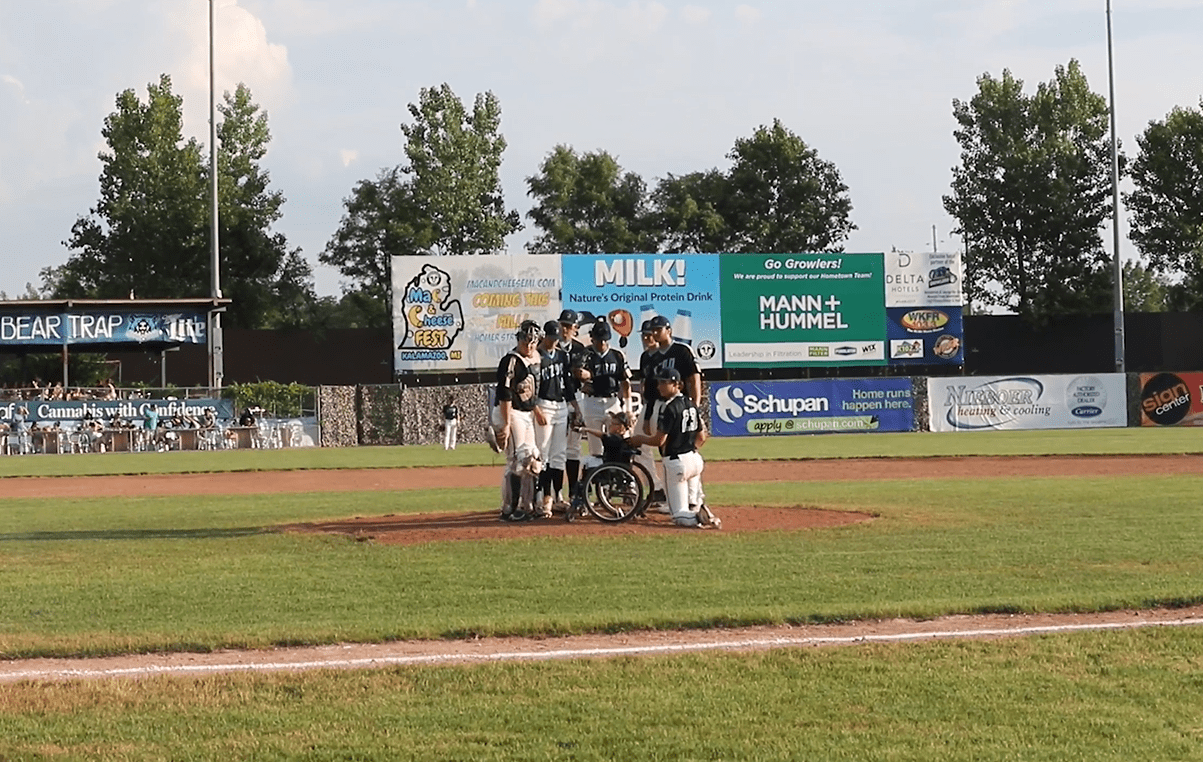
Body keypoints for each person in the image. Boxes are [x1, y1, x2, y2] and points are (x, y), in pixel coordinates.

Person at [630, 366, 720, 529]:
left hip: (676, 462)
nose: (659, 386)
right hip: (695, 460)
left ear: (677, 384)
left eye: (663, 383)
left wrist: (639, 439)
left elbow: (659, 440)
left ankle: (700, 517)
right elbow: (701, 436)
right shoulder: (691, 404)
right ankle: (701, 512)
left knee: (678, 515)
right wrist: (689, 449)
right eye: (659, 382)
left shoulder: (669, 407)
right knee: (690, 504)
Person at [639, 314, 702, 505]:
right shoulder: (653, 356)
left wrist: (695, 405)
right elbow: (649, 390)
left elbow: (694, 378)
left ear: (669, 330)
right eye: (653, 330)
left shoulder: (681, 350)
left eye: (659, 329)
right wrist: (647, 416)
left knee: (687, 448)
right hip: (659, 406)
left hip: (681, 404)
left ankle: (694, 498)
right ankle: (674, 497)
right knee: (666, 450)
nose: (655, 333)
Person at [491, 319, 544, 522]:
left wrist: (535, 410)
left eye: (533, 342)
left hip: (526, 413)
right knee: (517, 460)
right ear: (518, 339)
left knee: (533, 458)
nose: (528, 346)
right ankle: (509, 509)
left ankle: (527, 505)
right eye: (525, 341)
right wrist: (505, 424)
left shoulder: (536, 358)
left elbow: (530, 392)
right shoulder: (511, 360)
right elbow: (505, 394)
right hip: (510, 411)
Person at [534, 320, 583, 517]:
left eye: (556, 338)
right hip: (544, 405)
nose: (554, 341)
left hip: (561, 406)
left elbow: (568, 384)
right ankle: (542, 497)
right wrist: (536, 409)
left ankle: (557, 496)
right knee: (543, 453)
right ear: (544, 336)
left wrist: (575, 407)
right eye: (551, 338)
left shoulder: (562, 356)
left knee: (559, 455)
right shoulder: (536, 356)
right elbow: (531, 385)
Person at [575, 319, 632, 460]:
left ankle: (622, 470)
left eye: (605, 340)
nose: (602, 343)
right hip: (592, 402)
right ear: (592, 338)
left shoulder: (617, 355)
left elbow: (625, 382)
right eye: (599, 339)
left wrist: (628, 409)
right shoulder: (585, 354)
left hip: (612, 401)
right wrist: (582, 382)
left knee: (621, 440)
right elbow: (576, 374)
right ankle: (598, 472)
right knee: (595, 447)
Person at [556, 309, 589, 499]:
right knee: (555, 449)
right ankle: (555, 494)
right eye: (563, 325)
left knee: (574, 447)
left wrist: (586, 375)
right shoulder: (551, 347)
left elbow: (588, 375)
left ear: (576, 328)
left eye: (569, 326)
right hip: (556, 399)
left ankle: (574, 493)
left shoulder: (580, 349)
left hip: (577, 397)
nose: (565, 329)